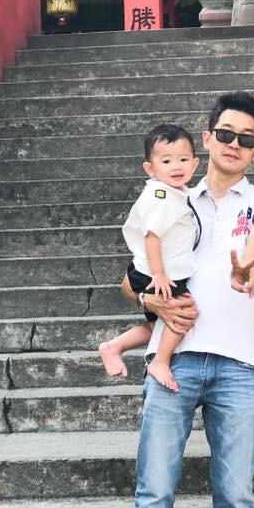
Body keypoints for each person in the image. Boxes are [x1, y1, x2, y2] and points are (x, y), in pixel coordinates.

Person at [122, 91, 254, 508]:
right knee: (155, 487)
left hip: (240, 364)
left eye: (247, 139)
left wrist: (250, 263)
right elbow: (130, 277)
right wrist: (150, 299)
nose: (234, 144)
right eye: (226, 134)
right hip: (175, 359)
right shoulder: (171, 192)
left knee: (236, 493)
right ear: (208, 137)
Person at [98, 123, 200, 392]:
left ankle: (114, 346)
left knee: (158, 326)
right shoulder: (161, 197)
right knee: (184, 315)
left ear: (195, 163)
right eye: (166, 161)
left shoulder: (176, 192)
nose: (176, 166)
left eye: (183, 160)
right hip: (157, 274)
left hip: (150, 271)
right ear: (150, 168)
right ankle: (160, 361)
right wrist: (159, 275)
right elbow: (151, 237)